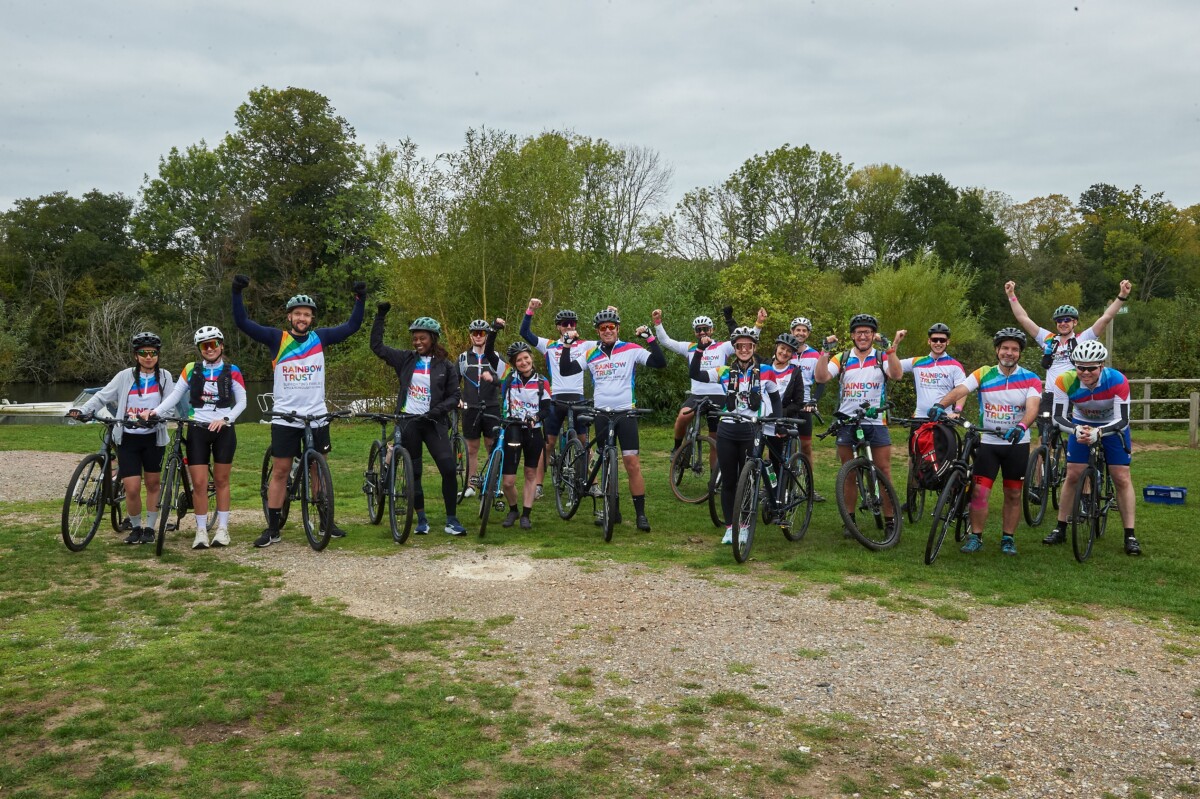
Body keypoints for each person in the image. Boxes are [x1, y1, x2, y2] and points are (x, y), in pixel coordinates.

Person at [231, 275, 365, 548]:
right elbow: (243, 322)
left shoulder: (320, 338)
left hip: (316, 415)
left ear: (311, 318)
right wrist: (236, 292)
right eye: (297, 314)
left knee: (318, 468)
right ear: (289, 317)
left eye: (306, 314)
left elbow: (352, 326)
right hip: (285, 417)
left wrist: (360, 298)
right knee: (281, 471)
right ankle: (273, 528)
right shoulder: (277, 339)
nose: (302, 318)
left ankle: (325, 521)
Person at [929, 328, 1041, 556]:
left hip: (1016, 444)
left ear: (1019, 353)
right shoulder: (984, 373)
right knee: (979, 493)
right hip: (988, 443)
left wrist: (1021, 426)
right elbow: (961, 389)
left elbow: (1032, 408)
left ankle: (1008, 538)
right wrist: (941, 405)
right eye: (1005, 348)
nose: (1009, 353)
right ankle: (976, 536)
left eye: (1014, 349)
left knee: (1013, 494)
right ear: (997, 350)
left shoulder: (1031, 378)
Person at [558, 309, 667, 531]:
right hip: (601, 414)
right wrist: (567, 346)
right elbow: (566, 370)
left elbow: (659, 362)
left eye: (611, 327)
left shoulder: (630, 349)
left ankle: (640, 514)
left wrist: (650, 338)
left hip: (626, 413)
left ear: (618, 329)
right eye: (603, 328)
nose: (607, 331)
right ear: (598, 331)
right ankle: (612, 510)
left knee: (632, 463)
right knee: (606, 462)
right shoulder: (591, 354)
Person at [70, 332, 175, 544]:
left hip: (153, 438)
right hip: (128, 438)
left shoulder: (165, 377)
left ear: (158, 355)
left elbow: (170, 406)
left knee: (153, 484)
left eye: (153, 353)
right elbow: (102, 396)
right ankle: (135, 528)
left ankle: (150, 528)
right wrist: (82, 410)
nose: (148, 357)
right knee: (132, 487)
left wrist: (156, 417)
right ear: (136, 356)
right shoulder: (125, 376)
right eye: (143, 353)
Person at [369, 303, 466, 535]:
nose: (417, 342)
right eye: (414, 338)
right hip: (409, 421)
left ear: (433, 339)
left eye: (422, 338)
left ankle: (451, 520)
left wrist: (436, 411)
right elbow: (377, 346)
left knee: (448, 468)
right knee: (415, 472)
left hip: (433, 423)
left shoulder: (445, 366)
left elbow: (454, 396)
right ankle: (421, 519)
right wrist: (380, 316)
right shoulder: (406, 359)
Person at [151, 326, 247, 549]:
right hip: (198, 429)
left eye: (213, 344)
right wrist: (155, 412)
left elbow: (242, 401)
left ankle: (223, 529)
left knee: (221, 481)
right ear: (200, 349)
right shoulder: (190, 369)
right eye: (205, 346)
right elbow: (174, 396)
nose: (209, 349)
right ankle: (201, 531)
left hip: (223, 430)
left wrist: (226, 418)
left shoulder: (232, 370)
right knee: (200, 483)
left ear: (221, 346)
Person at [814, 314, 906, 537]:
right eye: (858, 332)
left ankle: (890, 521)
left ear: (874, 335)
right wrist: (824, 352)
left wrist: (890, 349)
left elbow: (897, 374)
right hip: (847, 421)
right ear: (852, 336)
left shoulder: (881, 357)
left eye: (867, 332)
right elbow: (821, 377)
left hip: (875, 421)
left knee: (883, 471)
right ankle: (850, 521)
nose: (863, 336)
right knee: (849, 473)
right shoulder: (843, 358)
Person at [690, 327, 782, 544]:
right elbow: (695, 374)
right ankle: (730, 527)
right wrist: (700, 350)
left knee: (748, 480)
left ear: (754, 347)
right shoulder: (723, 371)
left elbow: (775, 398)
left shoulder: (767, 370)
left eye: (748, 345)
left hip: (752, 430)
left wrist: (776, 422)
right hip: (728, 429)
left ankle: (745, 526)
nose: (744, 349)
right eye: (740, 346)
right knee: (729, 481)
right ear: (735, 348)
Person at [1047, 340, 1140, 554]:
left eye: (1091, 368)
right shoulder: (1065, 380)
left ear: (1101, 366)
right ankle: (1060, 527)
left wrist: (1100, 432)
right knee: (1072, 474)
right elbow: (1057, 417)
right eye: (1081, 367)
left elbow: (1123, 419)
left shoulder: (1117, 380)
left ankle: (1130, 535)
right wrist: (1076, 430)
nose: (1086, 372)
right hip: (1081, 423)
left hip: (1111, 425)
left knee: (1121, 477)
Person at [655, 308, 764, 455]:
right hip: (697, 394)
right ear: (695, 332)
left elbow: (745, 341)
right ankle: (677, 447)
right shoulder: (690, 347)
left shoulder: (723, 347)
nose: (702, 332)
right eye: (698, 330)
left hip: (719, 394)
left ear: (712, 330)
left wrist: (758, 323)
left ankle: (715, 469)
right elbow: (666, 341)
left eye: (705, 329)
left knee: (715, 439)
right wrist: (657, 322)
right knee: (682, 416)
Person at [520, 299, 594, 494]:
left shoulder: (585, 345)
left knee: (584, 442)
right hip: (556, 399)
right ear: (558, 327)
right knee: (549, 444)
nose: (569, 326)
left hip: (578, 398)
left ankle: (593, 483)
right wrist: (530, 310)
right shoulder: (549, 345)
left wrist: (613, 314)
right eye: (564, 324)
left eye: (572, 323)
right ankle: (538, 485)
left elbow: (608, 340)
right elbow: (525, 333)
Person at [493, 340, 552, 530]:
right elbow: (489, 354)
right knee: (508, 482)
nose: (523, 362)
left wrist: (536, 417)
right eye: (519, 360)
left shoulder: (542, 381)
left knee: (530, 473)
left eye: (526, 358)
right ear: (514, 363)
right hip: (512, 430)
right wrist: (494, 331)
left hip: (533, 432)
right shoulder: (508, 378)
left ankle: (526, 514)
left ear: (531, 358)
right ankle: (513, 510)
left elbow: (547, 409)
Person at [458, 319, 507, 498]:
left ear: (486, 336)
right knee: (471, 448)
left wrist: (494, 380)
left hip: (491, 407)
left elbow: (505, 381)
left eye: (482, 333)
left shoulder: (496, 357)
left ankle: (493, 484)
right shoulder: (463, 357)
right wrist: (458, 399)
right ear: (470, 335)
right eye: (475, 333)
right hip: (470, 408)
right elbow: (454, 382)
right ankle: (470, 485)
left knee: (492, 446)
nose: (478, 336)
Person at [785, 316, 826, 501]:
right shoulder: (785, 350)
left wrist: (814, 401)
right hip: (786, 404)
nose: (800, 333)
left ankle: (809, 488)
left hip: (805, 404)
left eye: (804, 330)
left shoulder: (815, 355)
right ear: (792, 331)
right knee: (777, 445)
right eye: (797, 330)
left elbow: (821, 380)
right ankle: (771, 486)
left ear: (808, 334)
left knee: (806, 447)